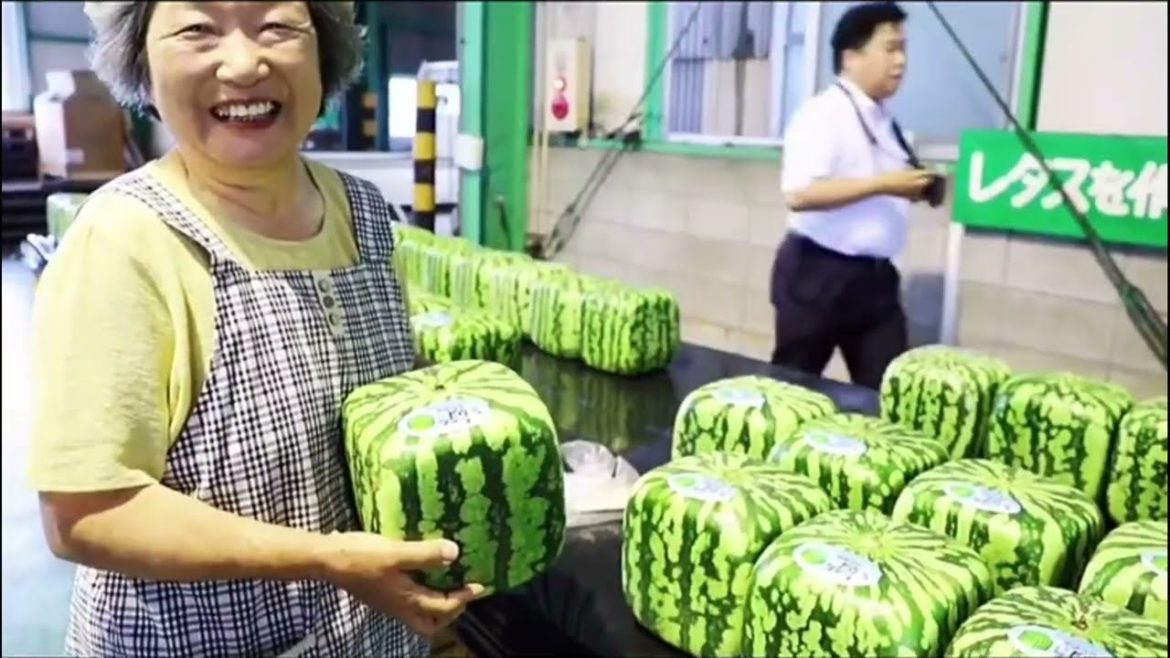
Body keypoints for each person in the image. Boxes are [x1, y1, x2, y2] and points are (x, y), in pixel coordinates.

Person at [27, 2, 482, 656]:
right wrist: (326, 558)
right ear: (141, 63)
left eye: (277, 27)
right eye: (197, 29)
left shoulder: (365, 213)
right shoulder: (124, 240)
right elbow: (86, 513)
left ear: (324, 52)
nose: (244, 64)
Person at [771, 1, 939, 390]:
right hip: (818, 273)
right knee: (792, 386)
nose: (901, 61)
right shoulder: (822, 114)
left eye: (904, 49)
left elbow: (880, 184)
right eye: (890, 48)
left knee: (886, 391)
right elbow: (799, 194)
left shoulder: (885, 119)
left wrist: (915, 188)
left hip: (875, 280)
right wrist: (886, 184)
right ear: (851, 57)